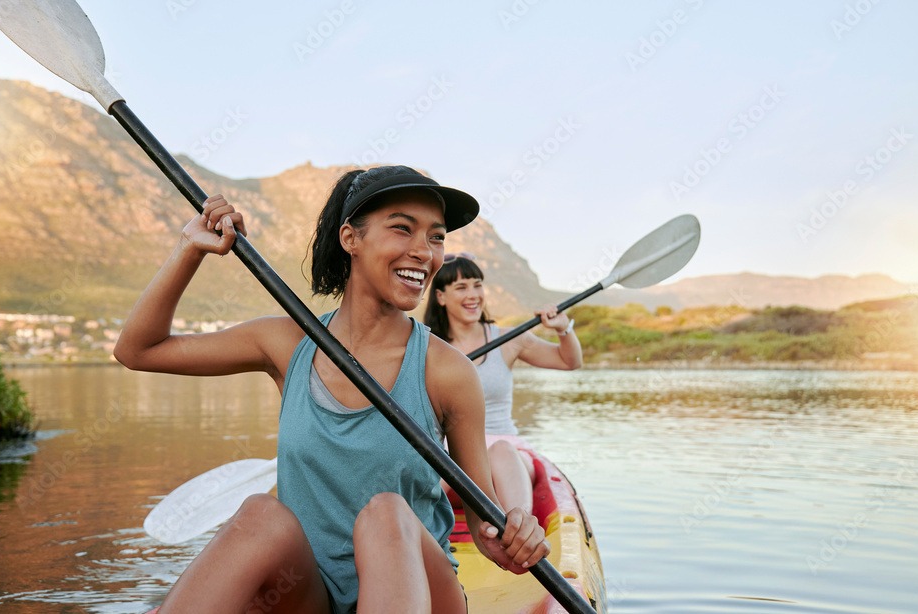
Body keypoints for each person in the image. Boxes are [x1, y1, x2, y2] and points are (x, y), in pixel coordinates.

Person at [113, 165, 550, 614]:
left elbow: (482, 518)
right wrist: (190, 249)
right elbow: (139, 350)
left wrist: (509, 537)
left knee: (386, 513)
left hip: (424, 592)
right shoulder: (286, 343)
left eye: (436, 237)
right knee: (260, 514)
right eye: (402, 229)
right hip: (309, 595)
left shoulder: (448, 371)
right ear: (350, 239)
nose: (424, 252)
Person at [422, 255, 582, 514]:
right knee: (439, 462)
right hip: (452, 463)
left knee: (501, 451)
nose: (473, 295)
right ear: (440, 297)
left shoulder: (509, 339)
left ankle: (520, 532)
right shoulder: (427, 347)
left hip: (506, 460)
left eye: (477, 285)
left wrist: (563, 329)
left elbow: (568, 361)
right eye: (461, 288)